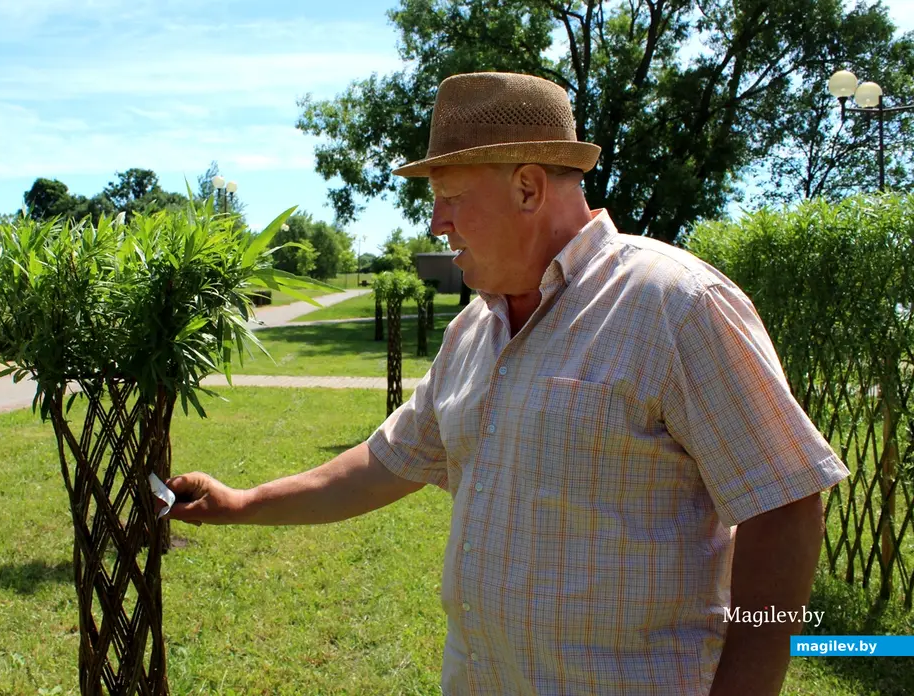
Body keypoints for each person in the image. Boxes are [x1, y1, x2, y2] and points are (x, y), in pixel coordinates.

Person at [163, 72, 850, 695]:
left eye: (451, 197)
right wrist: (242, 502)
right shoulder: (474, 332)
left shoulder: (674, 304)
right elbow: (383, 463)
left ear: (527, 185)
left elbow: (783, 503)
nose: (436, 222)